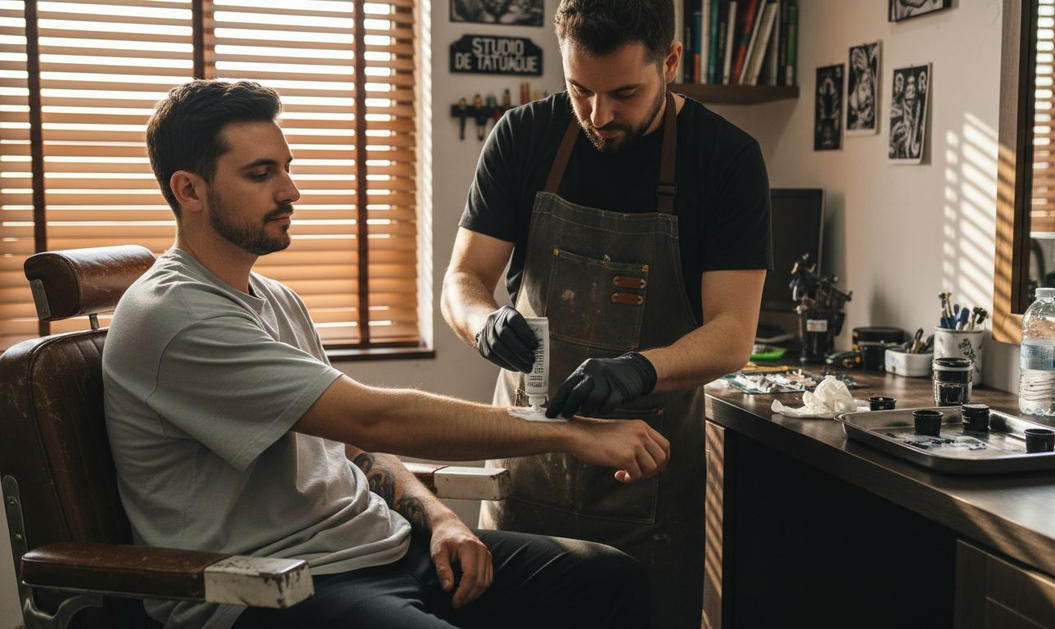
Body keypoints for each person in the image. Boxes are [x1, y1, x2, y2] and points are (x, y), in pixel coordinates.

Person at [103, 79, 671, 629]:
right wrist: (571, 432)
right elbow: (375, 416)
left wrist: (441, 520)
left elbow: (353, 443)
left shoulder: (274, 298)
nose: (291, 191)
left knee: (609, 579)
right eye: (260, 174)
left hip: (380, 549)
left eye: (286, 168)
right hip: (275, 586)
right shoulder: (174, 317)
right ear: (189, 190)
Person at [440, 0, 771, 626]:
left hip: (648, 486)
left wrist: (641, 369)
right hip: (524, 467)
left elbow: (733, 334)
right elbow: (463, 279)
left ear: (670, 61)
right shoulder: (523, 136)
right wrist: (483, 320)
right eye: (578, 90)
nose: (599, 115)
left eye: (623, 93)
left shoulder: (725, 159)